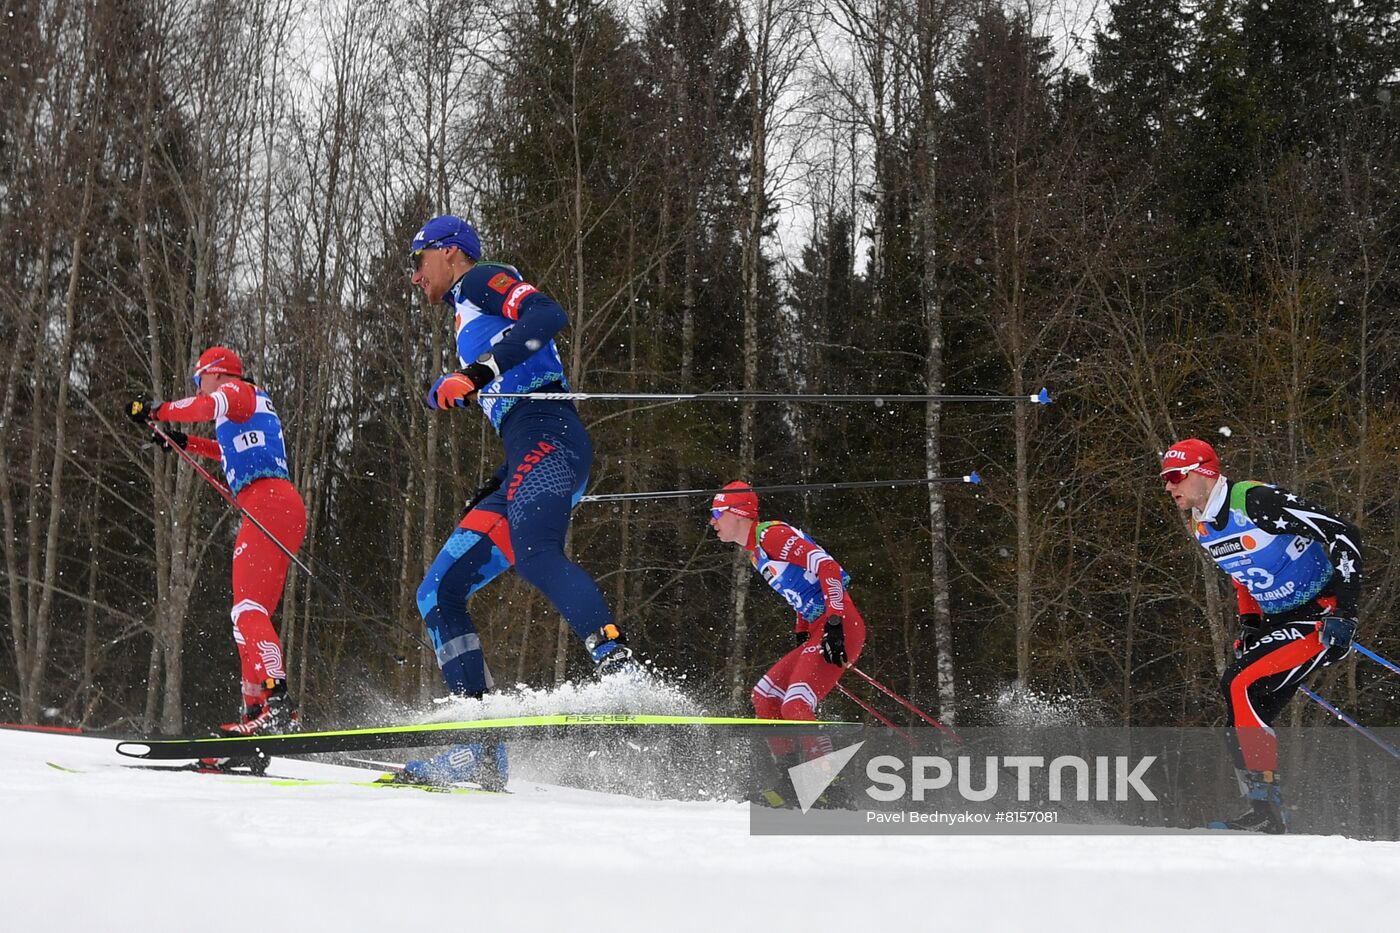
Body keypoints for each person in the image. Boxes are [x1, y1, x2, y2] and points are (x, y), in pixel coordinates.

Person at [397, 215, 637, 788]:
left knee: (536, 555)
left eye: (417, 259)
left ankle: (617, 664)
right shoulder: (463, 310)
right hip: (524, 454)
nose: (413, 276)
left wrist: (475, 373)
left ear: (450, 252)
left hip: (551, 436)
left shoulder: (482, 279)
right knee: (437, 593)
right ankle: (480, 746)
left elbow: (549, 315)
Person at [1161, 438, 1362, 833]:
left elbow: (1345, 534)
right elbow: (1243, 575)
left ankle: (1267, 813)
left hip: (1318, 615)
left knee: (1237, 683)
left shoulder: (1255, 502)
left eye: (1175, 476)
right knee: (1241, 715)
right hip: (1277, 621)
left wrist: (1346, 613)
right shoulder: (1200, 524)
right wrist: (1251, 625)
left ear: (1205, 472)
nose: (1169, 486)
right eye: (1165, 479)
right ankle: (1266, 813)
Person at [127, 347, 307, 742]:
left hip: (268, 503)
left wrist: (158, 409)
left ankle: (277, 703)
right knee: (248, 617)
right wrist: (182, 442)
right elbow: (225, 449)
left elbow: (208, 405)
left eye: (199, 379)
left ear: (215, 374)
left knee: (247, 611)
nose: (198, 385)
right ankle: (257, 710)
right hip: (276, 504)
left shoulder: (238, 392)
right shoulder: (242, 411)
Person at [709, 481, 865, 804]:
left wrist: (834, 621)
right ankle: (791, 781)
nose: (712, 522)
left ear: (737, 514)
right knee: (764, 697)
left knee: (796, 704)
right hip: (821, 626)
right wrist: (802, 629)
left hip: (841, 623)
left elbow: (827, 567)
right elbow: (800, 594)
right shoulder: (756, 555)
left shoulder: (772, 536)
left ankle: (829, 785)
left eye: (716, 513)